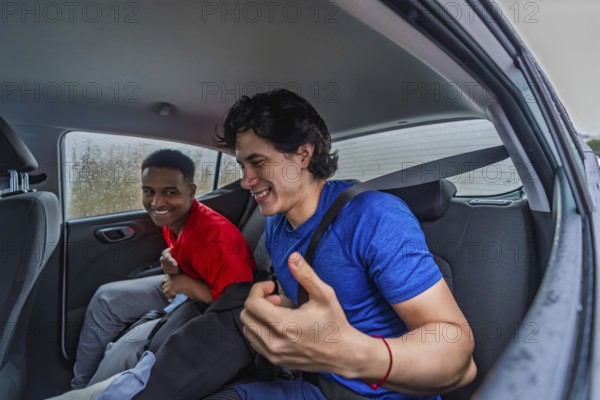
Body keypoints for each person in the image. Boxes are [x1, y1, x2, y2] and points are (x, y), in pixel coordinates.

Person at [214, 89, 477, 399]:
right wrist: (275, 317)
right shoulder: (276, 225)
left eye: (257, 163)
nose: (246, 181)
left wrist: (348, 353)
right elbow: (301, 305)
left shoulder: (374, 216)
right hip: (315, 385)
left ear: (303, 154)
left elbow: (459, 359)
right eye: (242, 166)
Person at [71, 149, 256, 389]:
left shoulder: (216, 238)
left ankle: (94, 393)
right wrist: (170, 258)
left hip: (214, 309)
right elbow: (185, 250)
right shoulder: (173, 219)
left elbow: (240, 305)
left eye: (169, 192)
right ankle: (79, 387)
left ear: (191, 192)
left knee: (125, 350)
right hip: (184, 287)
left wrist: (188, 286)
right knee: (106, 298)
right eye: (149, 192)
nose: (156, 203)